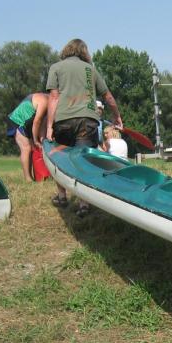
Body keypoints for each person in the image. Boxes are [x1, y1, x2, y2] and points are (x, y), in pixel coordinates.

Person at [45, 38, 123, 216]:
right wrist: (117, 116)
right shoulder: (91, 70)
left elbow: (54, 98)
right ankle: (83, 204)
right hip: (87, 121)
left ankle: (62, 196)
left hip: (63, 120)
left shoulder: (56, 68)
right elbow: (108, 97)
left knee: (60, 157)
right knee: (83, 162)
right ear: (84, 52)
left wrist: (49, 126)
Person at [6, 92, 49, 181]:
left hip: (27, 123)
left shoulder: (49, 105)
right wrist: (36, 141)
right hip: (17, 121)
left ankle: (34, 177)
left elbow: (42, 126)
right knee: (26, 148)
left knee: (33, 149)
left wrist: (42, 141)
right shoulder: (45, 101)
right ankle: (28, 179)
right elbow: (37, 122)